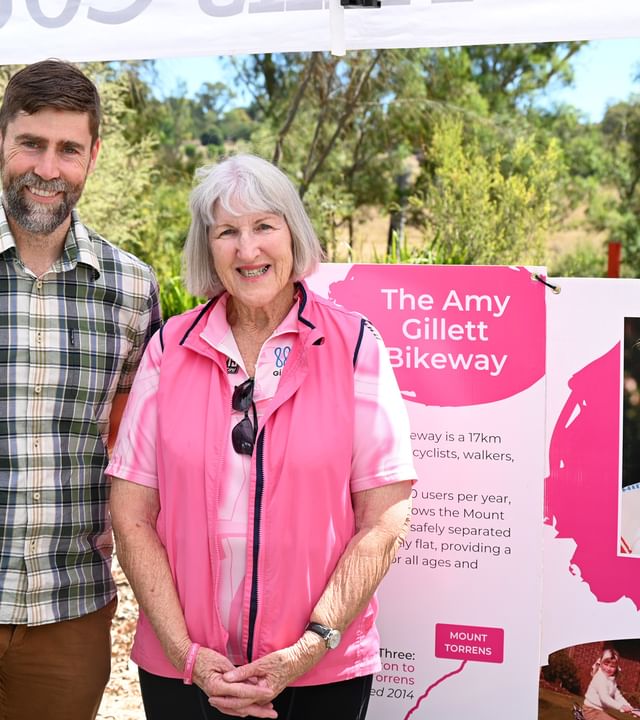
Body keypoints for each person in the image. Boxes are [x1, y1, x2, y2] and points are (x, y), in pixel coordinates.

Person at [107, 153, 415, 719]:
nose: (247, 250)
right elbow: (131, 516)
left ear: (292, 232)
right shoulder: (168, 349)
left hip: (319, 668)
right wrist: (185, 654)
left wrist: (307, 649)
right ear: (208, 248)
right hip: (183, 671)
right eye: (227, 232)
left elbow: (384, 519)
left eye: (263, 226)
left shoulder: (355, 346)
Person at [0, 60, 162, 720]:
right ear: (2, 140)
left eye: (68, 149)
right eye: (30, 143)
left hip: (67, 614)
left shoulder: (132, 290)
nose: (47, 168)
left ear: (93, 156)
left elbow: (137, 451)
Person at [583, 648, 637, 719]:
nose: (608, 668)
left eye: (612, 666)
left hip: (599, 711)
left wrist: (630, 708)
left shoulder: (611, 680)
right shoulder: (600, 678)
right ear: (601, 663)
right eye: (606, 664)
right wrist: (621, 706)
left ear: (616, 668)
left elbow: (618, 696)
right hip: (591, 711)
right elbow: (605, 698)